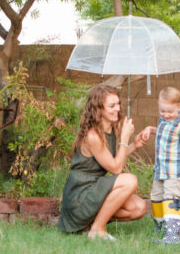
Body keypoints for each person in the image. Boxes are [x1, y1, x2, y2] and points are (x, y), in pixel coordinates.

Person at [57, 84, 147, 241]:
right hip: (80, 196)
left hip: (94, 188)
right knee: (130, 180)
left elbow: (112, 160)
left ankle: (90, 224)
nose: (117, 109)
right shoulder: (93, 135)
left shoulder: (110, 129)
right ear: (99, 109)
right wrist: (125, 138)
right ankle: (97, 229)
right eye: (111, 105)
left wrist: (134, 145)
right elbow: (116, 168)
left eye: (118, 104)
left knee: (139, 208)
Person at [142, 86, 180, 245]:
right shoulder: (164, 120)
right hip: (160, 170)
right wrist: (149, 129)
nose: (166, 115)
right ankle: (160, 228)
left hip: (174, 172)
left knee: (170, 199)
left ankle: (173, 236)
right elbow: (161, 131)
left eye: (169, 112)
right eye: (162, 111)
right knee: (156, 199)